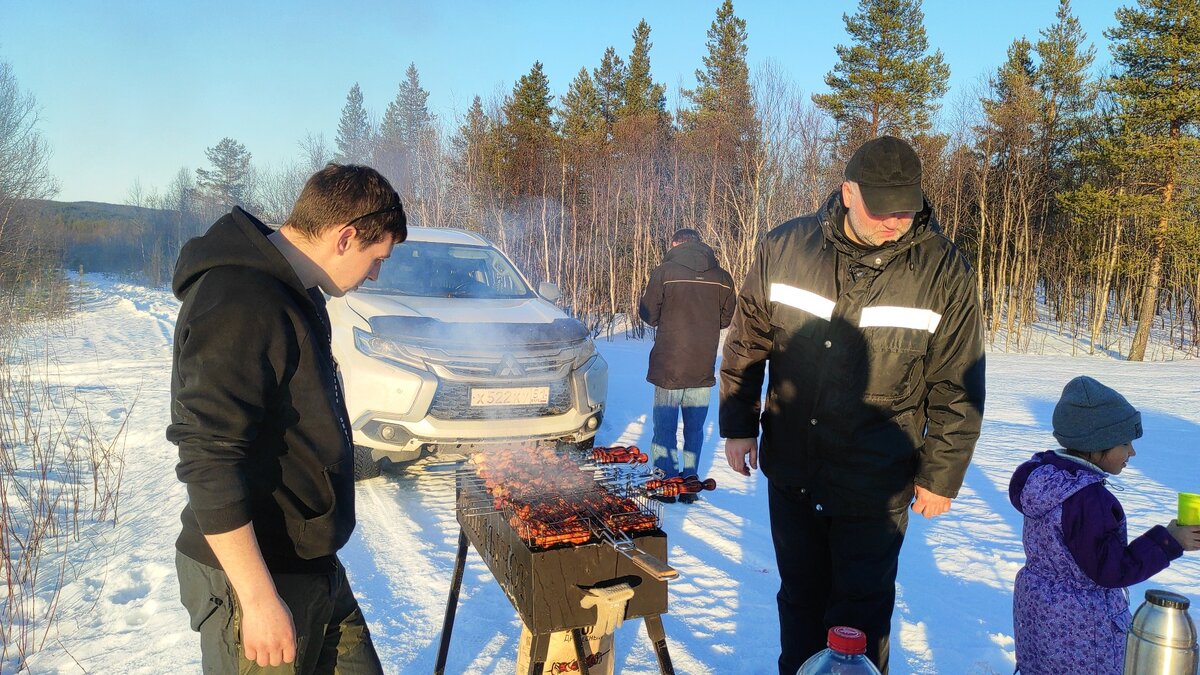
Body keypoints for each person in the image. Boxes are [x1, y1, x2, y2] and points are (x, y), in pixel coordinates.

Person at [719, 135, 985, 673]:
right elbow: (748, 343)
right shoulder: (785, 248)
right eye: (882, 208)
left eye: (906, 208)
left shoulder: (944, 271)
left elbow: (958, 381)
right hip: (794, 469)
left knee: (860, 620)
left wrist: (942, 473)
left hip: (875, 481)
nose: (895, 220)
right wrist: (738, 423)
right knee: (800, 605)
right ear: (847, 192)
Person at [168, 164, 407, 673]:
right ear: (345, 238)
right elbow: (208, 458)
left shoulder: (296, 291)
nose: (376, 273)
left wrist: (343, 459)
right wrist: (256, 601)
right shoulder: (239, 299)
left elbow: (288, 415)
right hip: (255, 577)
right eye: (376, 257)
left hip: (312, 565)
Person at [1009, 375, 1199, 675]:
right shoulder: (1088, 500)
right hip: (1083, 623)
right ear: (1096, 446)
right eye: (1125, 443)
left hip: (1040, 608)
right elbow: (1111, 570)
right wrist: (1170, 541)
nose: (1132, 453)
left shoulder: (1044, 480)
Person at [638, 228, 735, 503]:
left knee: (665, 429)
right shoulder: (723, 278)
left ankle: (666, 485)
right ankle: (690, 482)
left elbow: (648, 314)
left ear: (676, 243)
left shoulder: (665, 272)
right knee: (694, 429)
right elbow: (727, 319)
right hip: (702, 366)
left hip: (669, 365)